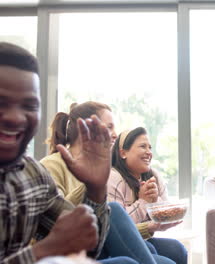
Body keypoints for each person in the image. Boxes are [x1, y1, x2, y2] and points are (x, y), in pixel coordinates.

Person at [0, 42, 112, 263]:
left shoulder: (33, 175)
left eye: (29, 106)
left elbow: (86, 246)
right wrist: (43, 251)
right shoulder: (52, 165)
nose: (15, 117)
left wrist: (96, 188)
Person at [40, 101, 175, 264]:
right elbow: (54, 222)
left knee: (173, 252)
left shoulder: (105, 169)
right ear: (85, 127)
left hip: (97, 243)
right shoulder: (52, 165)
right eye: (109, 127)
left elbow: (110, 227)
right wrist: (91, 184)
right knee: (116, 212)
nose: (115, 135)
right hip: (65, 250)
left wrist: (149, 226)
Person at [108, 127, 188, 264]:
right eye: (142, 146)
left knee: (178, 249)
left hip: (145, 238)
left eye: (149, 147)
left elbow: (166, 213)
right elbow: (117, 227)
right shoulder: (113, 178)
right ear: (123, 153)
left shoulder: (153, 175)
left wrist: (155, 199)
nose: (149, 152)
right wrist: (143, 202)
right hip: (120, 244)